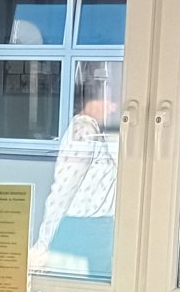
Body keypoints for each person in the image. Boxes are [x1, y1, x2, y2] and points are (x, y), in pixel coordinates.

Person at [30, 83, 119, 278]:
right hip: (84, 232)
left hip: (96, 231)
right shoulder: (83, 132)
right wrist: (43, 244)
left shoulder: (95, 131)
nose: (113, 107)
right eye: (109, 100)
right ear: (91, 102)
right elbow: (64, 189)